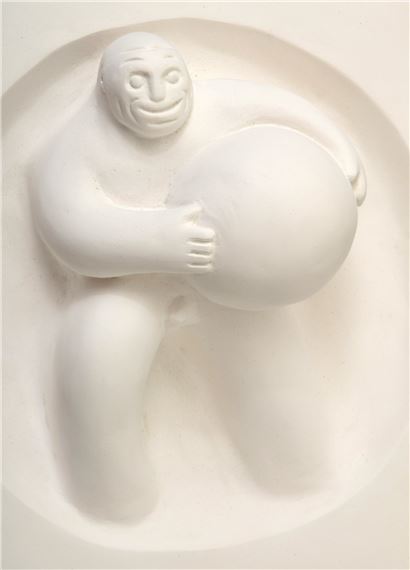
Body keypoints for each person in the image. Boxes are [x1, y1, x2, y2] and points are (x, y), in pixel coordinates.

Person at [30, 32, 366, 521]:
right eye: (138, 82)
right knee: (96, 366)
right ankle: (114, 502)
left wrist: (342, 154)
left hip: (236, 278)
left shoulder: (215, 105)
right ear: (106, 89)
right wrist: (157, 239)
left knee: (275, 369)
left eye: (170, 77)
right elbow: (68, 226)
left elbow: (286, 108)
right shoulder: (79, 146)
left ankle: (300, 475)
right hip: (131, 280)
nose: (159, 94)